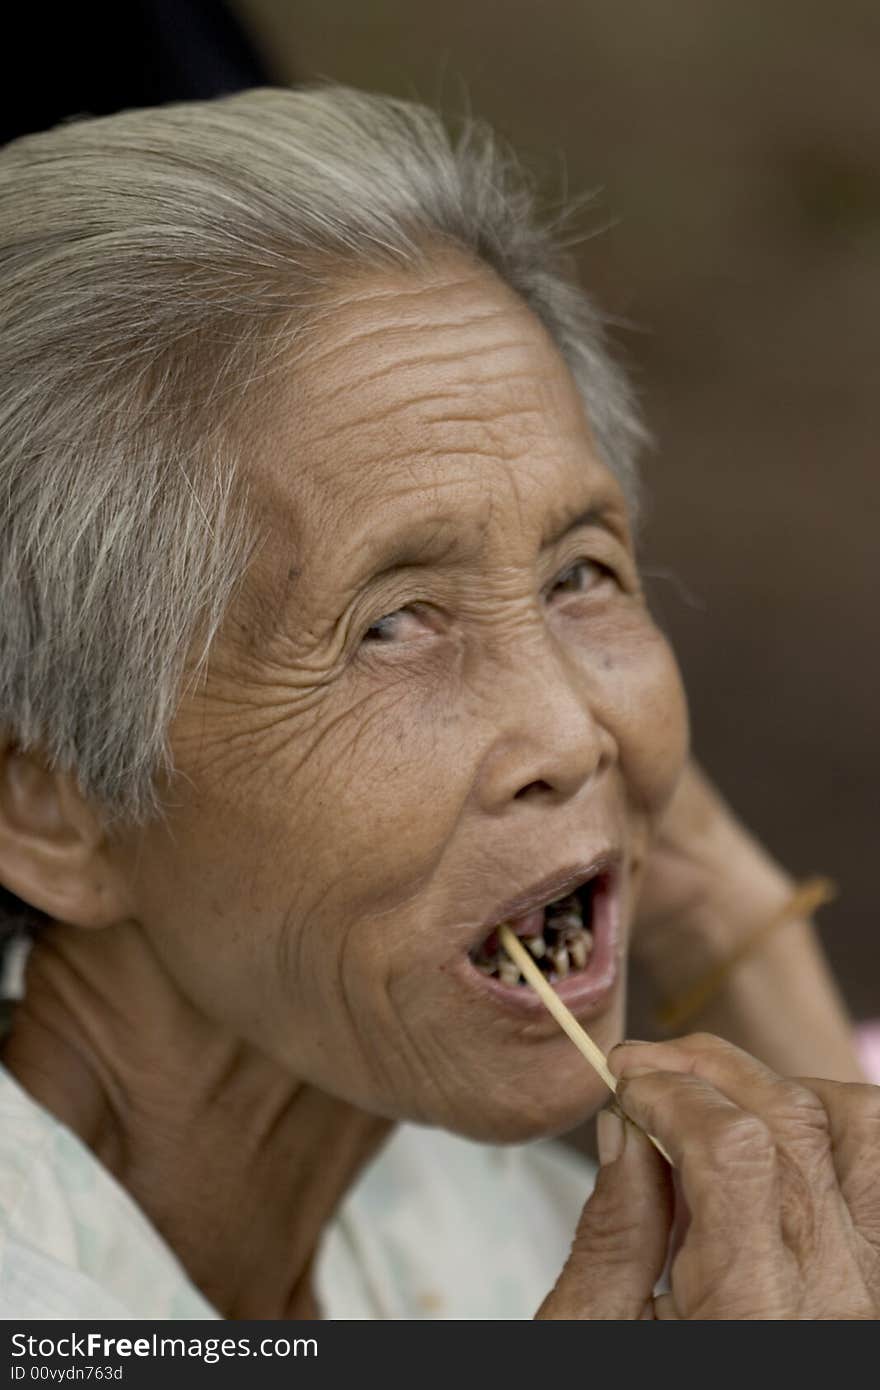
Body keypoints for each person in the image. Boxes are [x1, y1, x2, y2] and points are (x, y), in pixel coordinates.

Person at [0, 86, 874, 1320]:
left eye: (580, 574)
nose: (572, 733)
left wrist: (746, 934)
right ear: (50, 807)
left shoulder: (460, 1196)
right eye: (390, 625)